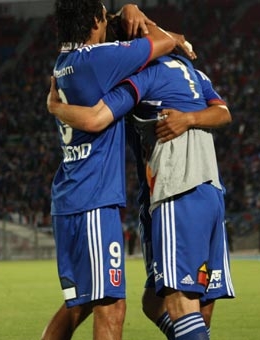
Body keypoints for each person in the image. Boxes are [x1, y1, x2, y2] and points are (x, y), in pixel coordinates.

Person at [47, 39, 235, 339]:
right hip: (211, 189)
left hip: (176, 189)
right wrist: (192, 117)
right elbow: (224, 112)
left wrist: (56, 107)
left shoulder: (143, 78)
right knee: (175, 303)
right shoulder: (194, 74)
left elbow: (95, 119)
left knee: (180, 301)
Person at [41, 2, 192, 340]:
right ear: (95, 21)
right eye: (104, 15)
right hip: (94, 201)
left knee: (78, 307)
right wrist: (133, 12)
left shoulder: (65, 63)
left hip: (71, 195)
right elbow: (168, 40)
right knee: (111, 308)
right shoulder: (99, 59)